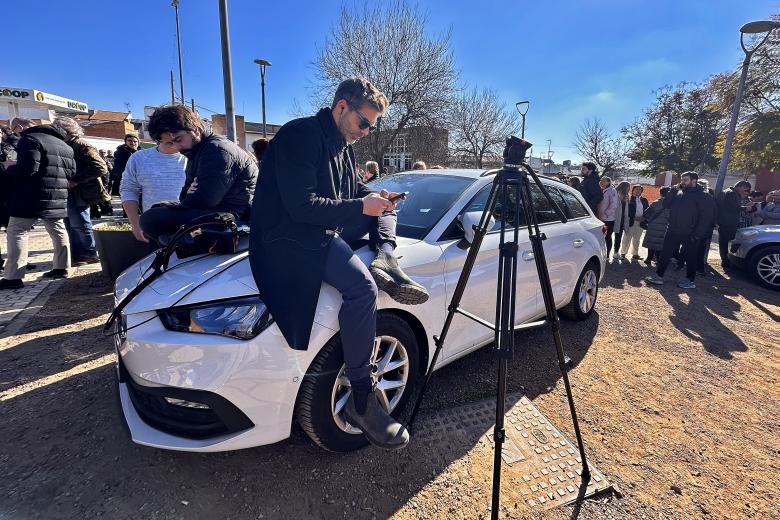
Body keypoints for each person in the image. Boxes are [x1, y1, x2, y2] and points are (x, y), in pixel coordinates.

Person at [250, 77, 428, 450]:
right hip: (290, 237)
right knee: (362, 289)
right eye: (364, 122)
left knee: (385, 211)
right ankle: (363, 397)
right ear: (341, 107)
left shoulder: (343, 146)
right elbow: (301, 207)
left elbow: (350, 193)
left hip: (320, 227)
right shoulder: (300, 135)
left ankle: (386, 256)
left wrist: (376, 195)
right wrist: (361, 205)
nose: (366, 132)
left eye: (371, 126)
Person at [138, 105, 257, 243]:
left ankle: (185, 241)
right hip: (220, 212)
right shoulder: (196, 151)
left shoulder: (217, 150)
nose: (176, 147)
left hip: (233, 216)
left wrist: (190, 195)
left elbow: (205, 200)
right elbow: (185, 195)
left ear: (196, 130)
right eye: (169, 143)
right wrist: (189, 194)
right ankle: (181, 240)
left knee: (151, 219)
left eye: (178, 139)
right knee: (156, 215)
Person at [0, 122, 73, 289]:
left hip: (29, 195)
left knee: (17, 230)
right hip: (57, 194)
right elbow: (71, 172)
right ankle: (62, 268)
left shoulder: (30, 139)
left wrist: (9, 168)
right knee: (58, 230)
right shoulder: (64, 145)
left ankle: (13, 277)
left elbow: (28, 169)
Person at [55, 117, 111, 266]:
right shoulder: (67, 144)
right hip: (70, 191)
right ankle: (79, 254)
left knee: (80, 223)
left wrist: (76, 180)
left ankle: (89, 254)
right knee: (71, 224)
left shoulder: (80, 144)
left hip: (80, 191)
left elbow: (100, 167)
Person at [645, 172, 715, 289]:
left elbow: (706, 217)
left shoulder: (704, 196)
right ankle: (659, 276)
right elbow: (666, 205)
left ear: (694, 181)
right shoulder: (679, 193)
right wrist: (672, 191)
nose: (682, 182)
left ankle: (690, 280)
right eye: (682, 179)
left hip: (691, 233)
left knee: (690, 257)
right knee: (665, 254)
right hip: (673, 230)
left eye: (685, 180)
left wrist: (698, 234)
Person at [119, 132, 187, 244]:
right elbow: (128, 189)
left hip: (191, 228)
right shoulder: (139, 158)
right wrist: (135, 224)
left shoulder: (196, 158)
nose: (174, 135)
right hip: (154, 229)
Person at [716, 180, 752, 268]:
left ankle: (726, 261)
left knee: (725, 243)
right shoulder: (731, 193)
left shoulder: (730, 192)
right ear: (741, 186)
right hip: (728, 222)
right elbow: (731, 207)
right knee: (726, 243)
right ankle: (726, 262)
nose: (745, 192)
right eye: (745, 189)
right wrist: (745, 208)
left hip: (727, 222)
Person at [642, 186, 672, 265]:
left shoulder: (655, 203)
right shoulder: (673, 204)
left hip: (653, 225)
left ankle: (649, 258)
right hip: (665, 226)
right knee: (661, 243)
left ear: (660, 193)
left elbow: (647, 213)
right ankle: (659, 260)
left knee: (652, 242)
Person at [620, 185, 649, 260]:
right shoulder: (629, 199)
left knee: (637, 239)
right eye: (636, 189)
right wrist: (633, 217)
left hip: (641, 222)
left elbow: (647, 210)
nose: (638, 191)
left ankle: (635, 254)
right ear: (633, 190)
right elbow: (627, 210)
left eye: (640, 189)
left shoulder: (644, 200)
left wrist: (644, 217)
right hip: (631, 221)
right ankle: (623, 253)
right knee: (627, 238)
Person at [596, 176, 617, 256]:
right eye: (601, 180)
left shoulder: (612, 191)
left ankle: (607, 254)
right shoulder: (601, 190)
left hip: (608, 218)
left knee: (607, 236)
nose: (601, 182)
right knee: (601, 236)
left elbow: (614, 204)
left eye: (604, 181)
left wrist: (607, 213)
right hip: (599, 217)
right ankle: (601, 253)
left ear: (608, 182)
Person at [611, 181, 631, 260]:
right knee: (609, 235)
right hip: (614, 217)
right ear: (624, 187)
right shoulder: (616, 193)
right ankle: (609, 252)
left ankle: (616, 252)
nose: (629, 189)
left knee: (618, 236)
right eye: (628, 187)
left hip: (622, 218)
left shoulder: (626, 195)